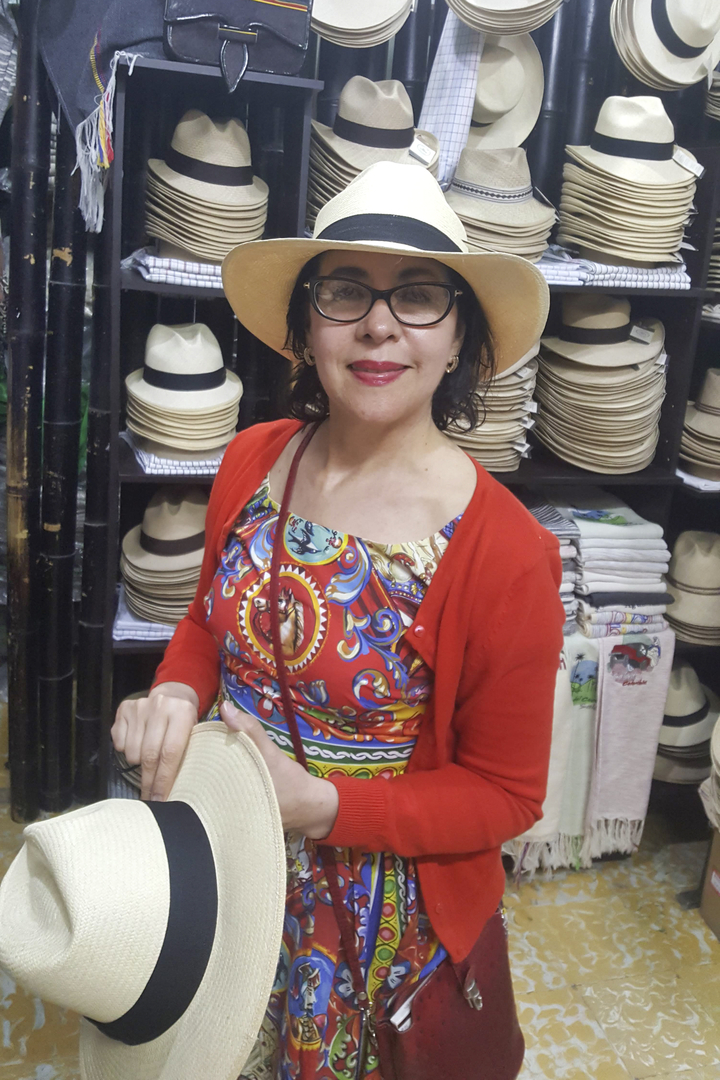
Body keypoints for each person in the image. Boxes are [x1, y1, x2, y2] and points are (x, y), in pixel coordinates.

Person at [112, 161, 564, 1080]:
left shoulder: (504, 553)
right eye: (346, 289)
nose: (379, 322)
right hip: (225, 867)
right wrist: (171, 688)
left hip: (376, 935)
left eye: (421, 295)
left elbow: (507, 796)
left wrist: (324, 805)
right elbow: (208, 620)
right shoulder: (252, 459)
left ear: (460, 340)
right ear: (306, 324)